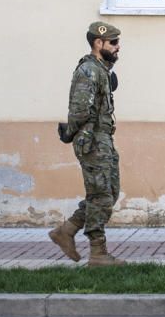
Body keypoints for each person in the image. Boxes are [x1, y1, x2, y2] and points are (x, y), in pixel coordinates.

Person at [48, 21, 126, 267]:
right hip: (92, 140)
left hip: (103, 138)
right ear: (98, 43)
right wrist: (71, 134)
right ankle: (98, 253)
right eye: (113, 42)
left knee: (108, 193)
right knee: (101, 195)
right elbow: (80, 110)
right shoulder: (88, 70)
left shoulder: (101, 69)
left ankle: (67, 230)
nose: (117, 47)